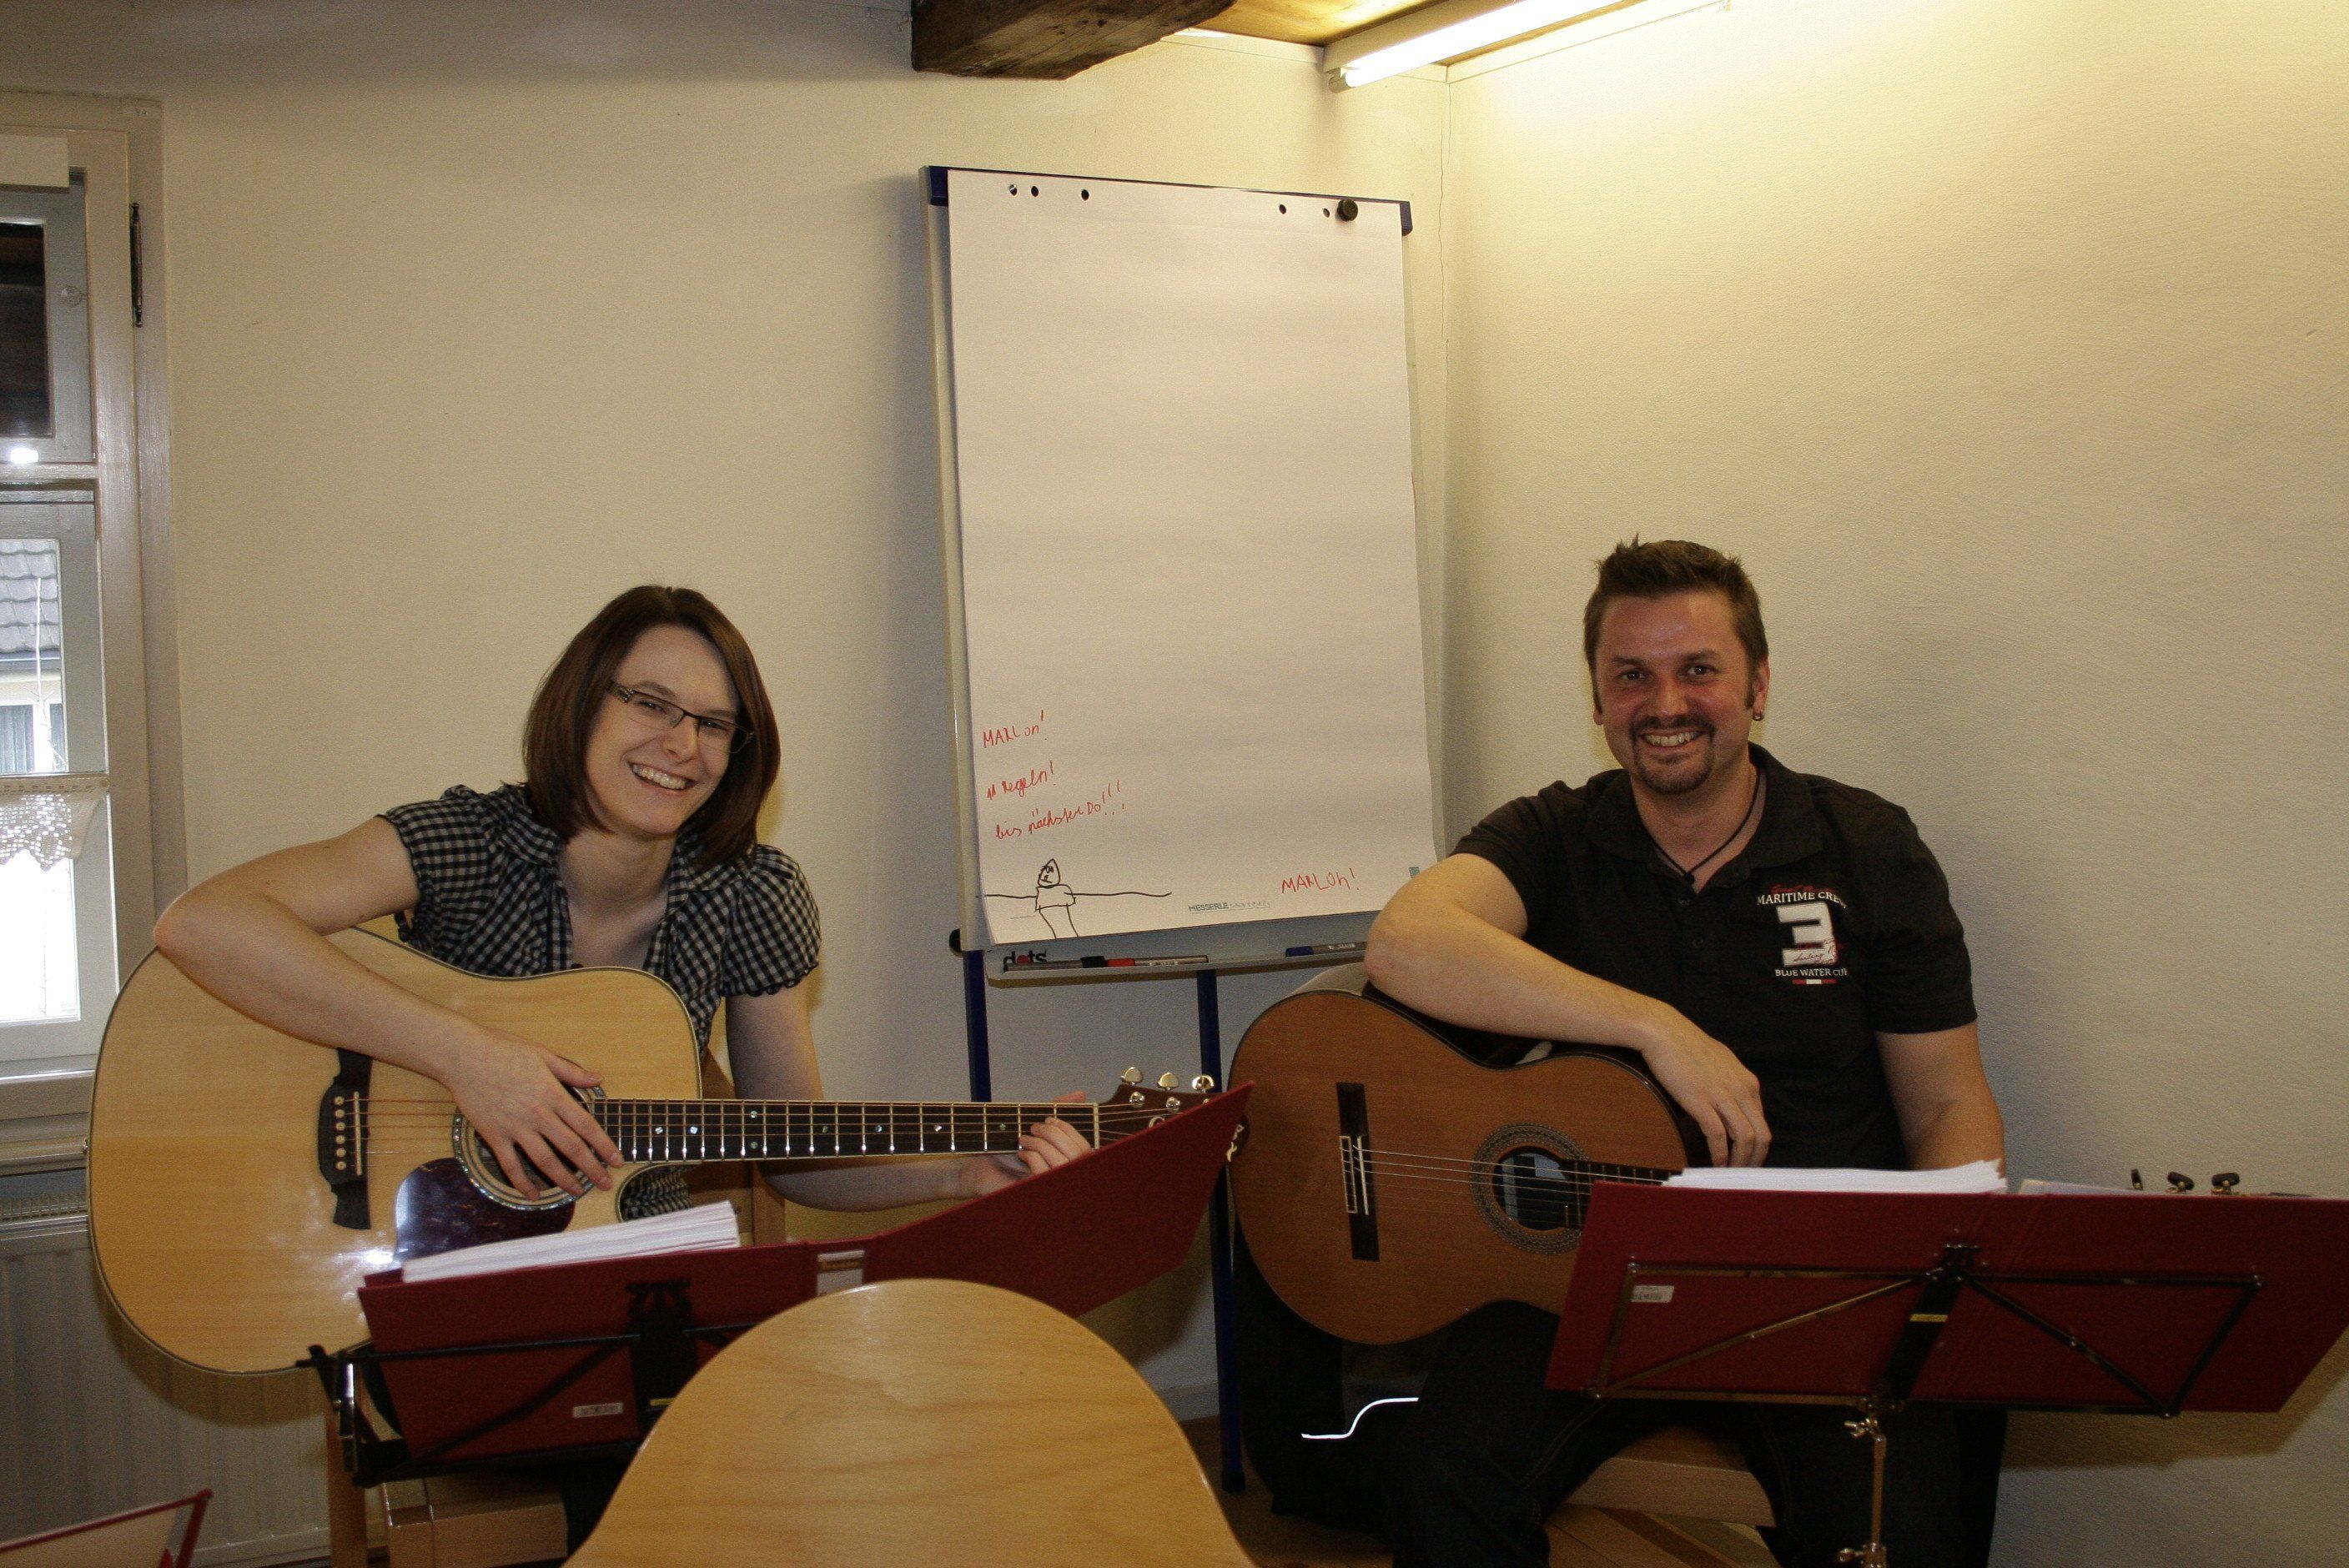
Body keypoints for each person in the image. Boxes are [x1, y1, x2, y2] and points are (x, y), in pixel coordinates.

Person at [153, 584, 1089, 1536]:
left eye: (714, 724)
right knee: (658, 1474)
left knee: (817, 1455)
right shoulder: (471, 844)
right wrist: (469, 1058)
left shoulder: (750, 892)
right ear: (582, 706)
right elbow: (205, 923)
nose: (682, 745)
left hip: (642, 1301)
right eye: (650, 703)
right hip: (438, 1286)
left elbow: (796, 1152)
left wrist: (963, 1174)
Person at [1235, 540, 2005, 1567]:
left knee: (1894, 1535)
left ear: (1757, 684)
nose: (1664, 702)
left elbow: (1946, 1103)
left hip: (1809, 1287)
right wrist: (1655, 1026)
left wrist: (1938, 1279)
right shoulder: (1554, 834)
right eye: (1630, 674)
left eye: (1698, 669)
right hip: (1585, 1276)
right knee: (1440, 1472)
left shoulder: (1864, 848)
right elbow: (1406, 940)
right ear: (1597, 698)